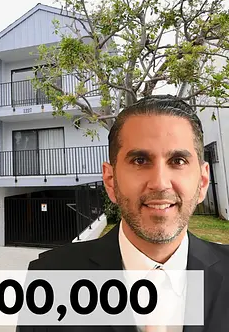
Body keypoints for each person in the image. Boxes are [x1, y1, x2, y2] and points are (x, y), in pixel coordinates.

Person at [16, 95, 229, 332]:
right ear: (110, 180)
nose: (160, 183)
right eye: (140, 160)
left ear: (202, 181)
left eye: (178, 161)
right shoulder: (50, 277)